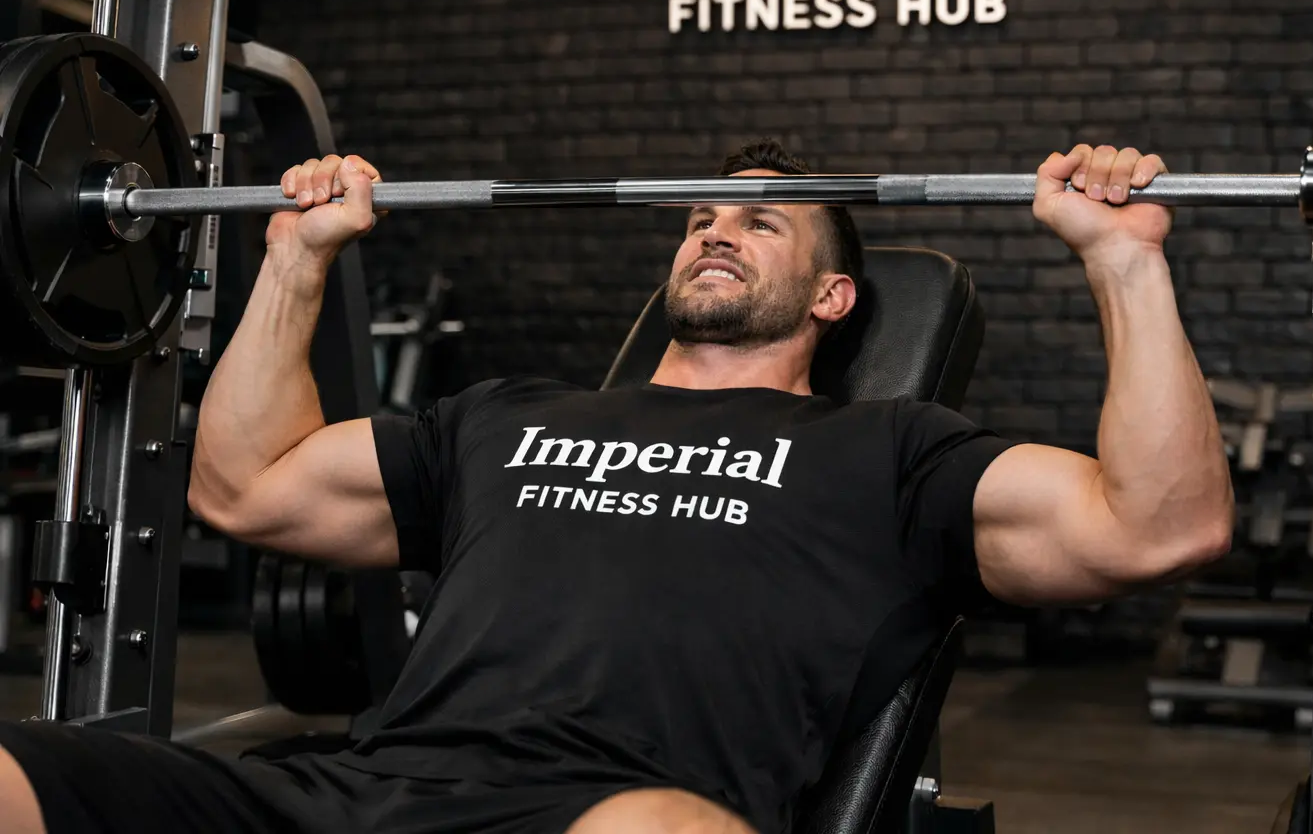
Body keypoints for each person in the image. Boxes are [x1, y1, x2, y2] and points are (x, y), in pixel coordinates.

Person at [0, 139, 1233, 834]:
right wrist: (295, 258)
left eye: (762, 225)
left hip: (608, 814)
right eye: (700, 215)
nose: (713, 229)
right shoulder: (505, 417)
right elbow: (246, 487)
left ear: (833, 296)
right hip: (351, 794)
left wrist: (1123, 265)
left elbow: (1158, 526)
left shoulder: (893, 454)